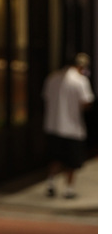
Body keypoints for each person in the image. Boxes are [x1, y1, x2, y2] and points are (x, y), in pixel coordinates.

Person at [42, 52, 95, 199]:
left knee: (54, 157)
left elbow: (45, 98)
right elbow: (86, 102)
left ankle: (50, 183)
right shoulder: (80, 81)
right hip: (72, 127)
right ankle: (69, 189)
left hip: (52, 125)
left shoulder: (53, 78)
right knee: (72, 160)